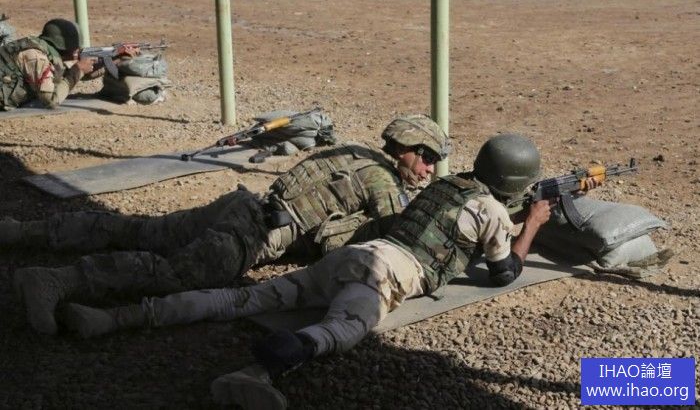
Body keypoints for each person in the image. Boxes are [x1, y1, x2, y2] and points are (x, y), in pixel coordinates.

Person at [55, 133, 600, 409]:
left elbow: (459, 223)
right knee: (342, 332)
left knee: (241, 300)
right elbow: (502, 272)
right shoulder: (492, 212)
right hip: (382, 275)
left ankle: (116, 318)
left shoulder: (445, 185)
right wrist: (532, 223)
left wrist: (515, 213)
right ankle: (256, 374)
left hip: (350, 258)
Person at [10, 114, 451, 335]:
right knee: (178, 274)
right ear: (405, 149)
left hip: (243, 206)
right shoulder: (382, 181)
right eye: (426, 157)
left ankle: (23, 231)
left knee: (142, 229)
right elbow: (395, 241)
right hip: (256, 231)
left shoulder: (357, 152)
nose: (429, 169)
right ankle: (57, 280)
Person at [0, 18, 137, 110]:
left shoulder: (45, 51)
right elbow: (51, 101)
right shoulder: (36, 57)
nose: (78, 51)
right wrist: (78, 69)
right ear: (63, 46)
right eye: (76, 48)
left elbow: (74, 75)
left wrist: (114, 58)